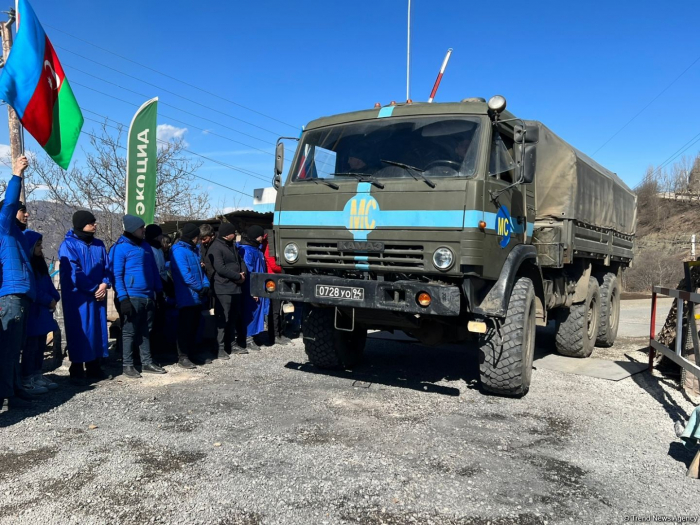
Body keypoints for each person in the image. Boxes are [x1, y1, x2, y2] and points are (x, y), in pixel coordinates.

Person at [0, 155, 37, 409]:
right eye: (23, 211)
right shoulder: (3, 227)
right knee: (7, 349)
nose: (26, 214)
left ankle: (15, 388)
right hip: (10, 295)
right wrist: (16, 174)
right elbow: (10, 203)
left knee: (16, 348)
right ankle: (7, 395)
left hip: (23, 295)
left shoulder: (19, 236)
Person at [110, 215, 166, 379]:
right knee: (129, 331)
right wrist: (123, 298)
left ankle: (146, 361)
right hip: (131, 295)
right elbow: (117, 275)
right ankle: (127, 364)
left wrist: (159, 291)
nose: (144, 231)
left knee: (146, 331)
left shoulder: (146, 247)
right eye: (141, 228)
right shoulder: (120, 248)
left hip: (148, 295)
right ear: (133, 229)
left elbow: (154, 271)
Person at [58, 210, 111, 384]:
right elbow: (74, 272)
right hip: (78, 298)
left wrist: (104, 284)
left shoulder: (99, 244)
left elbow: (107, 268)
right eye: (91, 222)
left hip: (97, 295)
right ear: (81, 224)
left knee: (97, 330)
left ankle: (94, 365)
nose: (95, 225)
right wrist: (94, 288)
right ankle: (77, 368)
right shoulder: (69, 245)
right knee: (80, 331)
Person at [21, 231, 60, 394]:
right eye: (38, 245)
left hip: (43, 313)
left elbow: (48, 284)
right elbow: (33, 289)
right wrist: (47, 299)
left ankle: (37, 373)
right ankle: (27, 377)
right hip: (34, 312)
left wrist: (55, 297)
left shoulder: (40, 264)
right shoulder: (27, 266)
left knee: (40, 345)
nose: (41, 248)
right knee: (31, 346)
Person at [170, 223, 210, 369]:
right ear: (192, 237)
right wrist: (200, 287)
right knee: (185, 328)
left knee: (194, 326)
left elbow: (200, 271)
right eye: (197, 237)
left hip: (197, 296)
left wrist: (206, 285)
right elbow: (185, 275)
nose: (198, 240)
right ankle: (183, 356)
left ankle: (192, 353)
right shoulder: (178, 251)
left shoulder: (193, 251)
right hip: (186, 295)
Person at [206, 222, 247, 358]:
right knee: (223, 319)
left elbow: (240, 261)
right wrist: (237, 277)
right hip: (223, 288)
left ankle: (231, 343)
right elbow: (220, 268)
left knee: (233, 318)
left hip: (236, 288)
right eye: (233, 232)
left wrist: (243, 273)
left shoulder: (232, 246)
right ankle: (220, 347)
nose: (235, 234)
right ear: (227, 234)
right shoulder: (216, 247)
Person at [238, 225, 269, 350]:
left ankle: (256, 334)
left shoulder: (256, 249)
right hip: (251, 287)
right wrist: (253, 290)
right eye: (261, 236)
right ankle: (248, 337)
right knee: (251, 311)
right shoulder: (247, 250)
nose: (262, 238)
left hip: (259, 285)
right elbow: (249, 271)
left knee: (258, 310)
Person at [262, 231, 291, 346]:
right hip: (273, 279)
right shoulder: (270, 245)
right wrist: (287, 269)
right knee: (275, 309)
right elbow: (273, 264)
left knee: (280, 309)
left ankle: (279, 332)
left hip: (278, 278)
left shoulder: (273, 243)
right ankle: (274, 335)